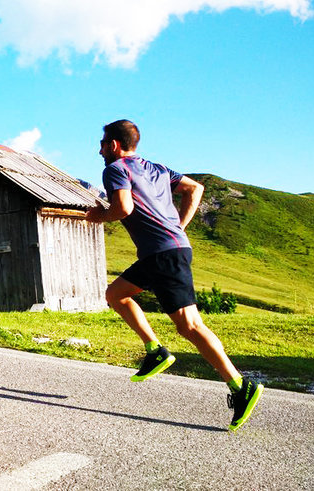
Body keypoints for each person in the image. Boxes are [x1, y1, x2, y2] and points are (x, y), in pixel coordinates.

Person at [86, 119, 263, 432]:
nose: (99, 150)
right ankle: (155, 351)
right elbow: (195, 189)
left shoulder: (115, 169)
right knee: (115, 295)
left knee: (190, 326)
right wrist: (178, 227)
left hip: (163, 256)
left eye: (102, 144)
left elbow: (123, 208)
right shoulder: (157, 169)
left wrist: (98, 216)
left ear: (114, 144)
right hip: (163, 253)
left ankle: (240, 386)